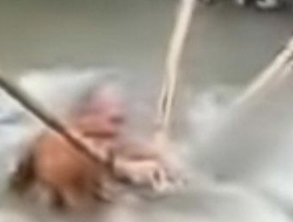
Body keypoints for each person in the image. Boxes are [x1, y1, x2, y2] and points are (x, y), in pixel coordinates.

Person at [10, 85, 173, 212]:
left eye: (121, 121)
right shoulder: (57, 143)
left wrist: (160, 154)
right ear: (82, 117)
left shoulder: (104, 140)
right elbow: (92, 163)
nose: (119, 129)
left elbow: (132, 150)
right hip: (44, 218)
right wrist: (126, 169)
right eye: (114, 120)